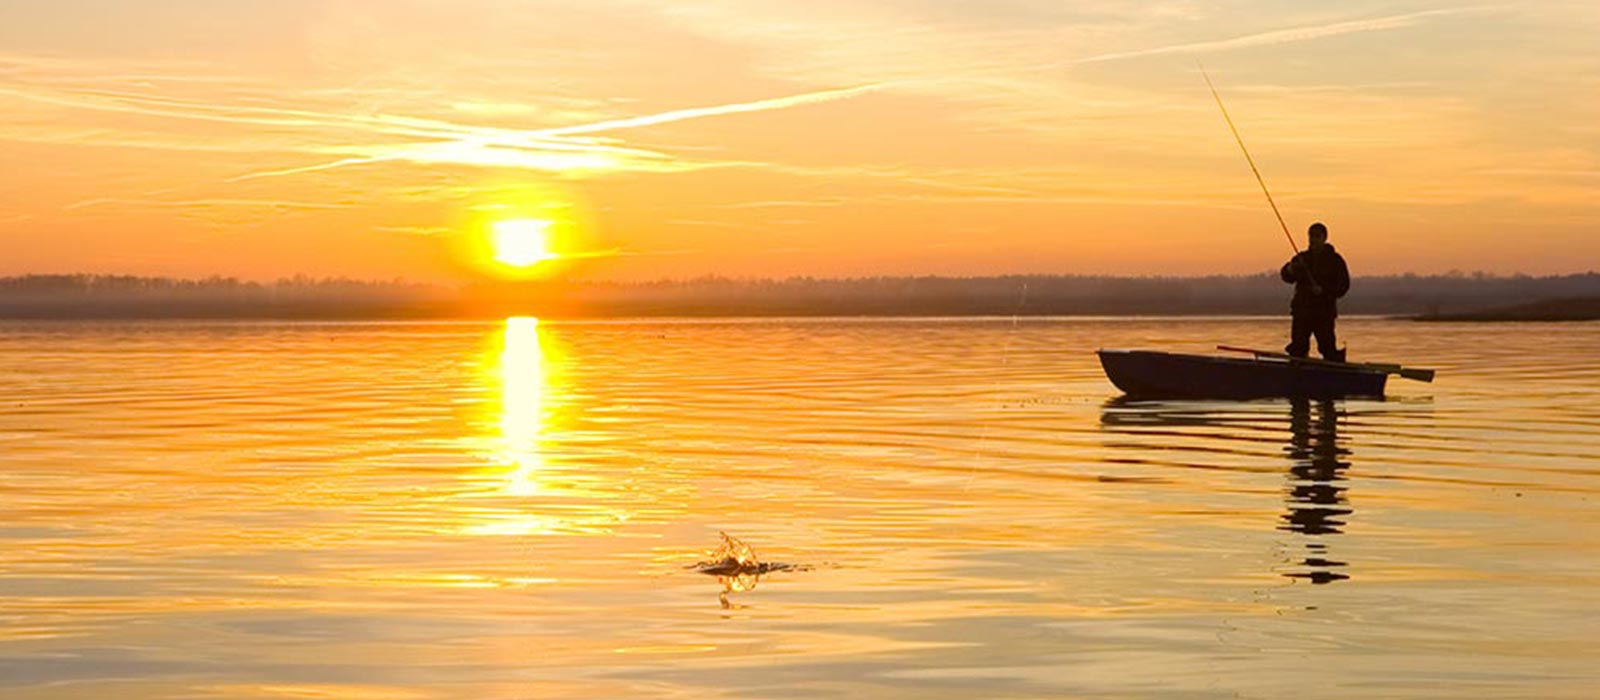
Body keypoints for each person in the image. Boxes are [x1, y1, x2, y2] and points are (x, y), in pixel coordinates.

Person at [1280, 222, 1350, 361]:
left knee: (1327, 348)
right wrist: (1290, 269)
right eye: (1311, 236)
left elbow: (1343, 286)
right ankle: (1297, 370)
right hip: (1302, 312)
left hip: (1324, 313)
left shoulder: (1335, 260)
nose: (1313, 240)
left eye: (1317, 236)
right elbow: (1286, 276)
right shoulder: (1302, 258)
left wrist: (1323, 291)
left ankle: (1335, 368)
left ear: (1325, 238)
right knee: (1298, 348)